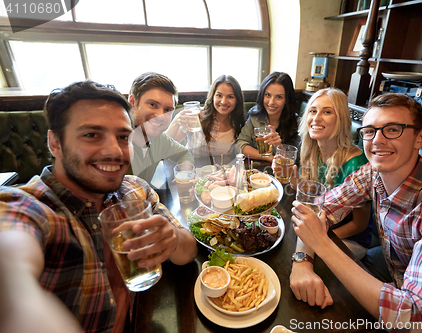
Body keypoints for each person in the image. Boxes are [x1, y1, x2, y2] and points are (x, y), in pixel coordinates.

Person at [0, 81, 198, 333]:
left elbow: (188, 251)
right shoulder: (33, 207)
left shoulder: (134, 190)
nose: (114, 151)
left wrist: (171, 240)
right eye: (91, 134)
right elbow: (11, 253)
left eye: (123, 137)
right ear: (55, 143)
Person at [291, 93, 422, 329]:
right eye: (370, 131)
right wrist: (302, 263)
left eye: (392, 130)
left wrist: (323, 245)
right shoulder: (372, 173)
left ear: (420, 137)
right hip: (399, 296)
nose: (378, 140)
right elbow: (320, 210)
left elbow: (421, 320)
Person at [282, 88, 373, 308]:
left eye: (327, 112)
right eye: (312, 111)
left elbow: (360, 225)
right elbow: (311, 200)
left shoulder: (356, 163)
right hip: (318, 229)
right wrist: (293, 178)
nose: (316, 117)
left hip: (348, 238)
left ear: (341, 119)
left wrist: (321, 240)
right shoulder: (312, 149)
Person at [128, 72, 194, 183]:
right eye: (152, 105)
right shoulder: (114, 145)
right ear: (133, 103)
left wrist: (185, 175)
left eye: (168, 110)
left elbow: (184, 154)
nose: (160, 116)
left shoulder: (159, 139)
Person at [166, 74, 246, 164]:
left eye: (230, 97)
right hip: (193, 172)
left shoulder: (237, 124)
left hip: (222, 174)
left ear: (237, 99)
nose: (223, 101)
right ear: (212, 97)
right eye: (219, 95)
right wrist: (175, 122)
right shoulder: (196, 116)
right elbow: (165, 149)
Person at [235, 71, 299, 163]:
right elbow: (240, 145)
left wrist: (279, 145)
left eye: (279, 97)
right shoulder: (255, 116)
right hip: (258, 172)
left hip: (283, 174)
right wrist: (268, 157)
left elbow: (295, 161)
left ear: (287, 100)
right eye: (268, 95)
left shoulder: (297, 123)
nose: (271, 102)